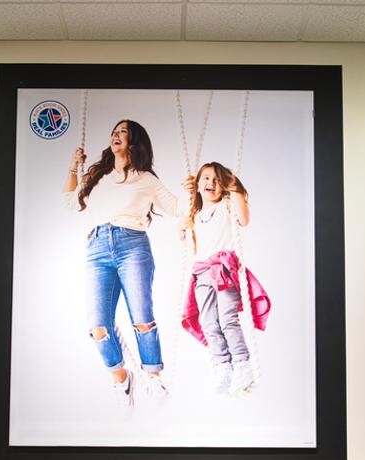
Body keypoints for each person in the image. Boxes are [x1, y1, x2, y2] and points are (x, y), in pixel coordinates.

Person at [64, 119, 186, 409]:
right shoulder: (97, 175)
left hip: (133, 244)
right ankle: (122, 379)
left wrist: (194, 191)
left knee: (142, 316)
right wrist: (73, 166)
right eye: (114, 131)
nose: (115, 135)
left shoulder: (146, 179)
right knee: (98, 326)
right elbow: (70, 202)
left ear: (134, 142)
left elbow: (178, 209)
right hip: (97, 246)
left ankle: (154, 377)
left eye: (123, 132)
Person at [181, 161, 270, 395]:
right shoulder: (194, 213)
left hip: (223, 270)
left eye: (216, 179)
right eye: (206, 178)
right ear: (198, 184)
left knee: (227, 318)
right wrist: (187, 195)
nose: (211, 183)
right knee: (209, 322)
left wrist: (235, 188)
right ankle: (223, 365)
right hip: (201, 274)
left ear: (223, 186)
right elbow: (182, 233)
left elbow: (244, 219)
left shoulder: (227, 206)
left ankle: (242, 364)